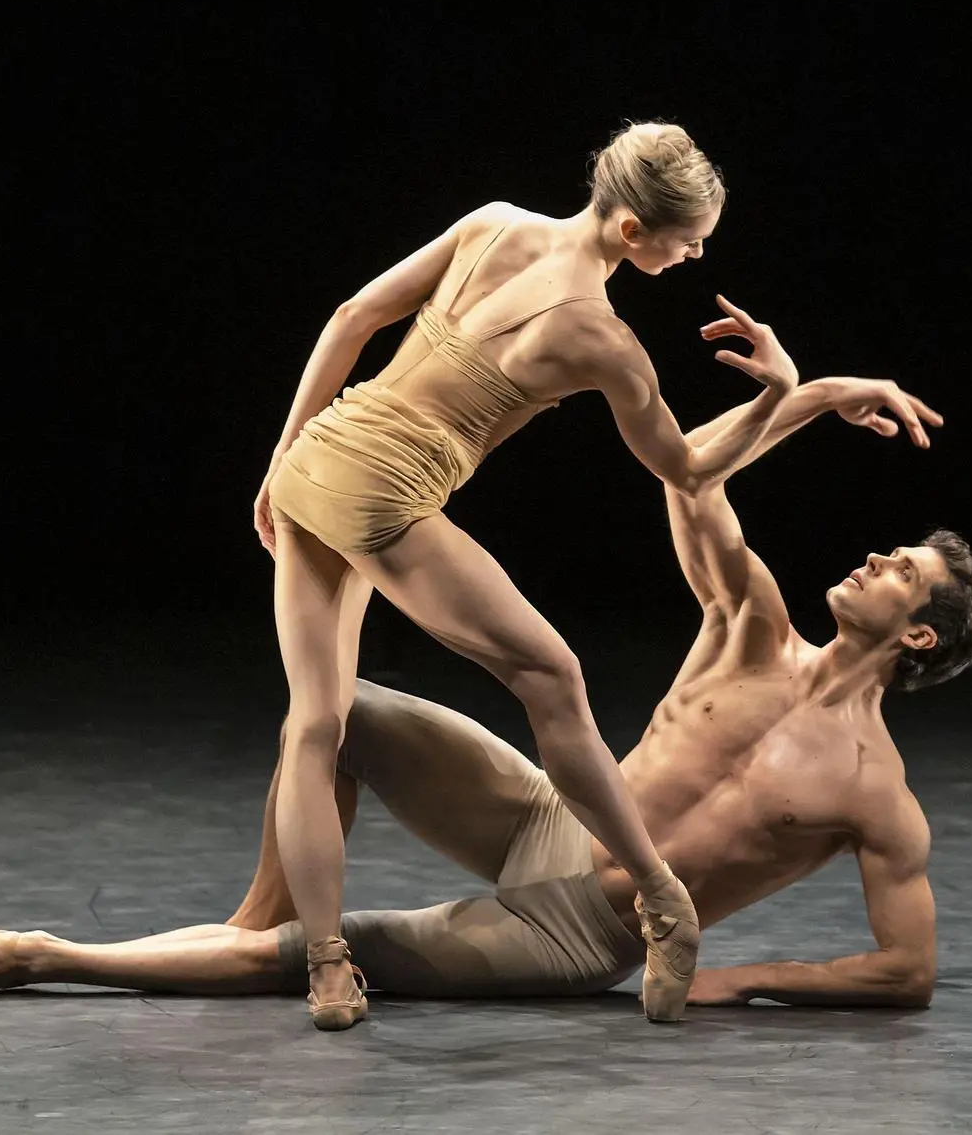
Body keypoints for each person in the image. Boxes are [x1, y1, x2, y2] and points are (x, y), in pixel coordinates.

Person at [0, 369, 972, 1011]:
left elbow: (906, 968)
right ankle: (251, 917)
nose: (872, 557)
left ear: (913, 632)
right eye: (890, 547)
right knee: (339, 712)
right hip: (548, 816)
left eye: (900, 569)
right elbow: (686, 475)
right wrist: (812, 393)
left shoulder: (875, 791)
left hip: (581, 933)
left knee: (326, 954)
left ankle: (33, 952)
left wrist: (746, 977)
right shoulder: (749, 627)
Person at [250, 121, 796, 1028]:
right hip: (384, 496)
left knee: (317, 721)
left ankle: (328, 968)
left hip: (320, 457)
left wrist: (281, 454)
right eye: (688, 238)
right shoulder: (602, 339)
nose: (697, 253)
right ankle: (662, 899)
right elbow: (689, 470)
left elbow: (353, 317)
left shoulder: (493, 221)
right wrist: (780, 390)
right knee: (553, 676)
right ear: (632, 232)